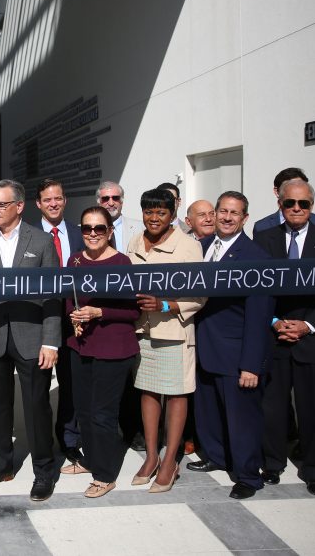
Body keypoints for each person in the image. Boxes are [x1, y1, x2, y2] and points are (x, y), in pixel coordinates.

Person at [0, 179, 60, 501]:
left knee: (36, 408)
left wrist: (51, 341)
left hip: (32, 339)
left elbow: (53, 294)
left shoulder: (42, 241)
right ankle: (0, 466)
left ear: (19, 206)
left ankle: (44, 472)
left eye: (1, 204)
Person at [253, 179, 315, 496]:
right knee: (273, 409)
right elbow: (257, 289)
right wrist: (276, 321)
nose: (296, 209)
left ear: (312, 206)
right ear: (280, 204)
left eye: (303, 204)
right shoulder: (264, 239)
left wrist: (308, 325)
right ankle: (272, 464)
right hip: (275, 337)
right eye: (290, 203)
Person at [191, 191, 273, 500]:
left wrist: (251, 364)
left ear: (244, 218)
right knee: (209, 413)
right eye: (222, 211)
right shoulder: (199, 247)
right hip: (203, 348)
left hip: (236, 354)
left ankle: (248, 476)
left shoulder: (256, 257)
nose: (226, 217)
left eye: (234, 213)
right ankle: (218, 456)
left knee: (243, 421)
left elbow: (259, 315)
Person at [127, 189, 206, 493]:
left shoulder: (188, 246)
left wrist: (165, 304)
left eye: (161, 212)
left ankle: (170, 460)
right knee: (147, 393)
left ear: (173, 214)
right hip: (143, 331)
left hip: (173, 331)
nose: (154, 218)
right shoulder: (135, 241)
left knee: (175, 395)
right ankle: (150, 457)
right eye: (149, 212)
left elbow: (199, 294)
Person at [60, 206, 140, 498]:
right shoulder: (75, 260)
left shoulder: (122, 263)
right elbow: (71, 298)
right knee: (82, 410)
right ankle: (91, 459)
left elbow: (132, 311)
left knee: (102, 414)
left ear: (109, 232)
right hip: (81, 345)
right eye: (87, 228)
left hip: (113, 348)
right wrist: (75, 317)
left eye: (99, 228)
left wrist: (99, 312)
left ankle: (105, 474)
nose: (92, 234)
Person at [35, 178, 83, 464]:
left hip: (74, 320)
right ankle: (41, 442)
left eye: (58, 198)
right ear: (39, 203)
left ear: (65, 201)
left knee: (70, 383)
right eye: (47, 200)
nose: (53, 204)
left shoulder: (80, 235)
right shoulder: (27, 236)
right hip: (39, 322)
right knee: (39, 386)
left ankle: (69, 438)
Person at [252, 168, 315, 233]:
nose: (296, 208)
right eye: (288, 186)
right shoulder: (262, 227)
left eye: (300, 185)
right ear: (277, 192)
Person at [96, 181, 142, 253]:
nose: (111, 203)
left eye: (115, 198)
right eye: (105, 199)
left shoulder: (140, 228)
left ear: (122, 201)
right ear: (99, 202)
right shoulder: (84, 230)